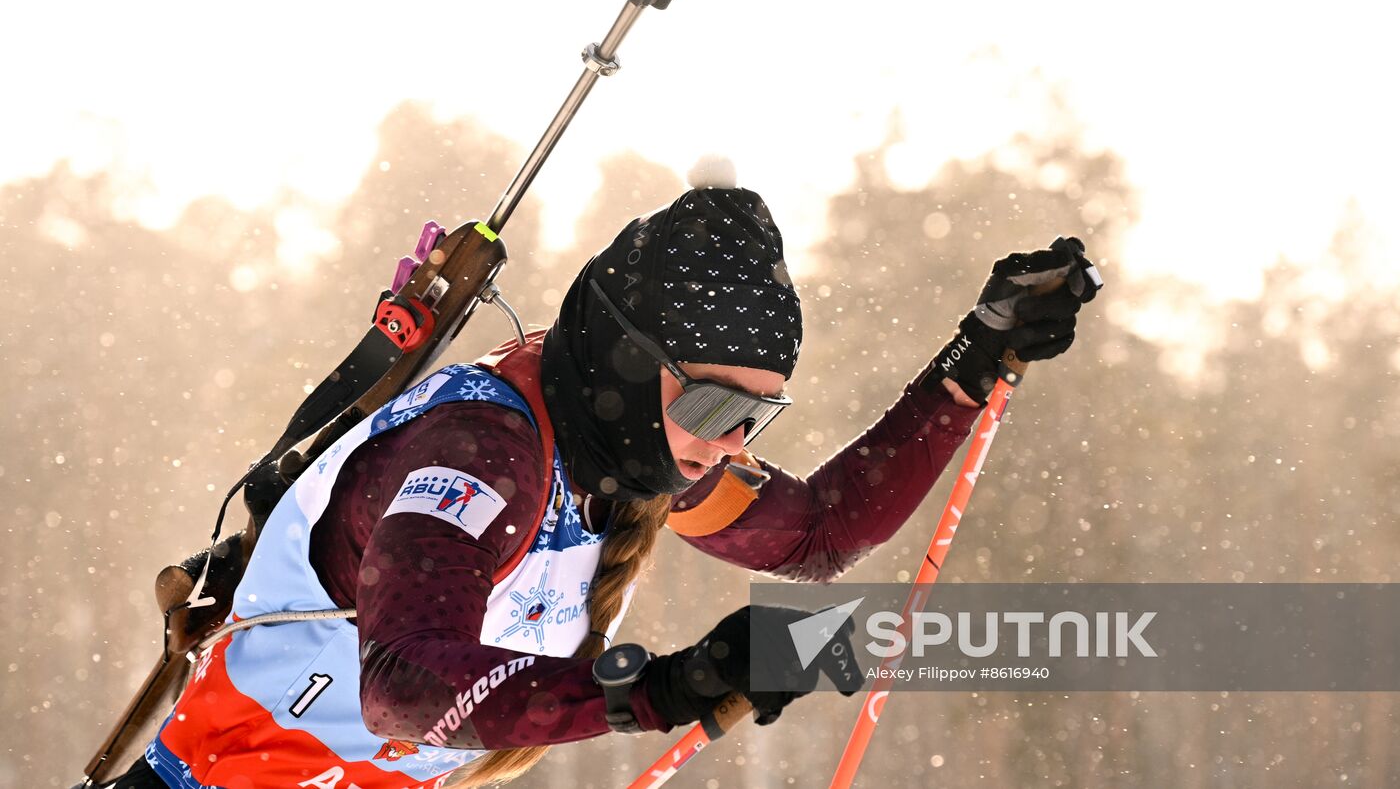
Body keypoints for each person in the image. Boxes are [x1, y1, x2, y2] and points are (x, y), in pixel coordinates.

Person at [106, 185, 1097, 789]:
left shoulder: (624, 453)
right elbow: (403, 684)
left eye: (756, 416)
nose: (727, 444)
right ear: (627, 361)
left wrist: (972, 358)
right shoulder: (480, 448)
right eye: (712, 407)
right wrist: (656, 688)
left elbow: (816, 533)